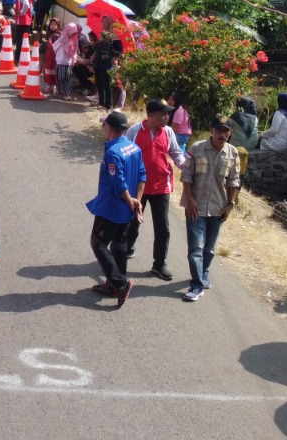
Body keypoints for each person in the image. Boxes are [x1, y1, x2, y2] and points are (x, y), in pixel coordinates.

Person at [180, 117, 241, 302]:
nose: (222, 134)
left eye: (226, 131)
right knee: (195, 248)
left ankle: (204, 273)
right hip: (195, 207)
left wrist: (230, 204)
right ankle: (197, 286)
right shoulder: (196, 148)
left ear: (230, 133)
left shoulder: (233, 153)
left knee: (209, 249)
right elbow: (186, 176)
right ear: (211, 130)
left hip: (218, 207)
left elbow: (233, 181)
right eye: (218, 130)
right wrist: (189, 200)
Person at [86, 112, 144, 306]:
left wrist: (129, 200)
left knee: (98, 243)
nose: (103, 128)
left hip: (112, 207)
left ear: (110, 128)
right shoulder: (134, 147)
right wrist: (137, 202)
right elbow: (142, 175)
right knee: (120, 243)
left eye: (105, 126)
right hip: (128, 207)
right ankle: (114, 284)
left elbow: (118, 183)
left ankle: (120, 282)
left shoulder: (113, 152)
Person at [125, 100, 185, 282]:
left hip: (161, 187)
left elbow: (176, 153)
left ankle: (159, 264)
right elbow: (124, 153)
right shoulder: (134, 131)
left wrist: (188, 167)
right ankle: (124, 251)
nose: (167, 117)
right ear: (150, 116)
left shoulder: (168, 132)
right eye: (162, 114)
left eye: (167, 114)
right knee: (132, 223)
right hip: (138, 188)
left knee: (162, 227)